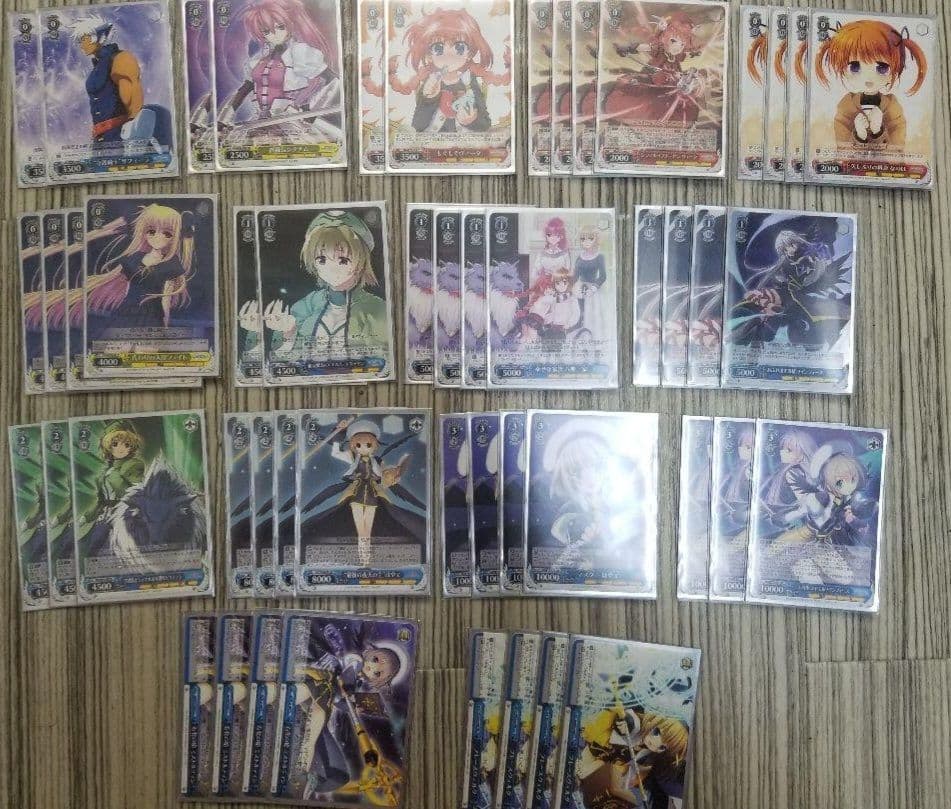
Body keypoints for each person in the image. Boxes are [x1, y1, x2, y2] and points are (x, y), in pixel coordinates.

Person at [388, 8, 510, 133]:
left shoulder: (469, 81)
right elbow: (418, 125)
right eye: (438, 48)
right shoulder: (430, 82)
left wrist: (472, 120)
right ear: (429, 55)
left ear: (470, 53)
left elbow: (485, 124)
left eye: (459, 47)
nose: (449, 55)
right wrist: (429, 99)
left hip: (464, 143)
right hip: (434, 142)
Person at [815, 19, 928, 151]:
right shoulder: (846, 106)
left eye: (882, 68)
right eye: (855, 67)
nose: (868, 78)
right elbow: (841, 152)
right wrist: (859, 136)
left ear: (894, 70)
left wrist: (878, 132)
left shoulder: (892, 108)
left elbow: (898, 153)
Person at [82, 204, 196, 329]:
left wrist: (165, 326)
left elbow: (166, 299)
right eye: (151, 231)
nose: (157, 237)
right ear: (144, 233)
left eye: (167, 234)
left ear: (175, 237)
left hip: (152, 315)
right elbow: (127, 290)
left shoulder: (170, 265)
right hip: (126, 312)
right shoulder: (134, 258)